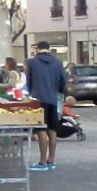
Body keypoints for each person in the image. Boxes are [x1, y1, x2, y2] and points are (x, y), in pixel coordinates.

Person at [26, 41, 67, 171]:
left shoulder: (31, 62)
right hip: (53, 99)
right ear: (49, 49)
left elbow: (29, 82)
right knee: (52, 129)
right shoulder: (58, 62)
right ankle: (51, 160)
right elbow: (63, 81)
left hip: (38, 99)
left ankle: (42, 161)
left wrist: (32, 92)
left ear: (37, 49)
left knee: (40, 129)